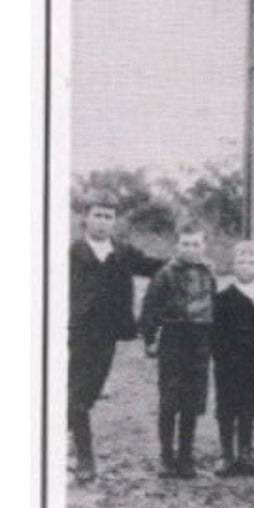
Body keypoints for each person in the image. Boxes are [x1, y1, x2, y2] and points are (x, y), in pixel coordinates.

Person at [67, 190, 164, 483]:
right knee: (75, 394)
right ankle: (85, 458)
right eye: (97, 215)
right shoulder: (71, 252)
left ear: (115, 221)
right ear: (85, 217)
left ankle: (64, 440)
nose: (102, 222)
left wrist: (188, 262)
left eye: (108, 217)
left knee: (89, 394)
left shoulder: (122, 252)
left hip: (107, 333)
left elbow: (152, 266)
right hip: (78, 331)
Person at [140, 221, 218, 479]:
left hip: (199, 340)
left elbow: (215, 309)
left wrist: (213, 342)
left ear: (204, 247)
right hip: (173, 338)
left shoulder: (209, 273)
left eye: (196, 244)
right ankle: (166, 456)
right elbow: (150, 308)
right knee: (169, 399)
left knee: (192, 400)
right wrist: (150, 339)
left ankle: (186, 456)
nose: (190, 249)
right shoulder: (165, 274)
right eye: (185, 243)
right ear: (177, 245)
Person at [210, 241, 254, 477]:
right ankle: (227, 453)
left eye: (251, 262)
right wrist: (220, 355)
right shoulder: (224, 297)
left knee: (249, 404)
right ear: (233, 266)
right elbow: (215, 332)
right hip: (228, 362)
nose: (246, 267)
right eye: (241, 262)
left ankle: (246, 450)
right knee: (227, 405)